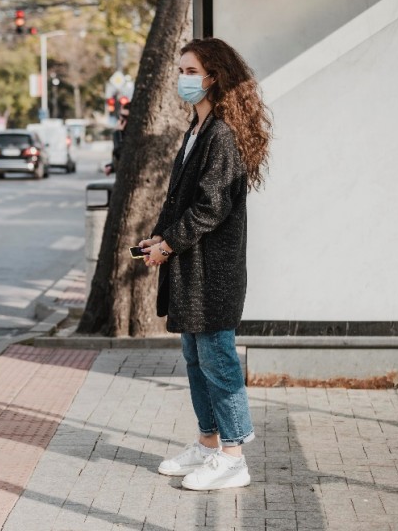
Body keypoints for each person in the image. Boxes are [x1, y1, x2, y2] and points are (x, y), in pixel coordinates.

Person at [138, 37, 271, 491]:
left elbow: (211, 207)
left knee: (218, 360)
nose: (182, 79)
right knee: (196, 358)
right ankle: (208, 443)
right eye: (180, 71)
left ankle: (233, 456)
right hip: (191, 270)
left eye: (189, 71)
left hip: (213, 272)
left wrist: (169, 245)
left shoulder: (222, 135)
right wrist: (158, 236)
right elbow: (180, 200)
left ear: (214, 76)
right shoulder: (196, 130)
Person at [104, 100, 130, 175]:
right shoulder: (122, 133)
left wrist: (117, 134)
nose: (121, 120)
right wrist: (111, 167)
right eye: (120, 116)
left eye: (125, 117)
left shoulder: (125, 134)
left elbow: (121, 153)